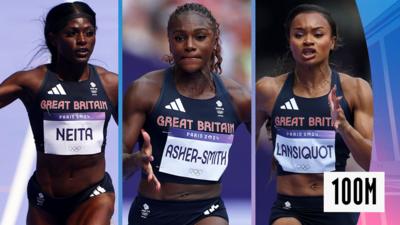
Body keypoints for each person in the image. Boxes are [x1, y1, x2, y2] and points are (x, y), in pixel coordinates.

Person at [123, 3, 250, 225]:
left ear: (214, 40)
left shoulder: (238, 98)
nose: (189, 46)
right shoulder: (144, 90)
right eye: (180, 38)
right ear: (170, 42)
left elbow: (275, 141)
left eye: (200, 37)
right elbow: (119, 162)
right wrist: (135, 160)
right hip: (152, 210)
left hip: (207, 209)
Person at [0, 2, 118, 224]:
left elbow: (136, 132)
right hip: (45, 199)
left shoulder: (110, 85)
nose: (83, 40)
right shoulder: (32, 82)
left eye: (89, 33)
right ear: (54, 38)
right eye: (72, 33)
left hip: (93, 196)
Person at [256, 4, 373, 225]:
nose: (308, 40)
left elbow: (372, 164)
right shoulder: (268, 90)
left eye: (318, 34)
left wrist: (345, 127)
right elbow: (244, 142)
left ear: (332, 41)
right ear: (289, 42)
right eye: (299, 34)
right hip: (290, 206)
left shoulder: (356, 89)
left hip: (340, 202)